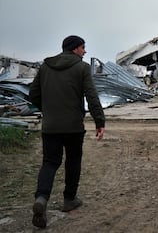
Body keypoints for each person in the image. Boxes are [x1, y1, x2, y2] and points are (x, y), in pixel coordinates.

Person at [29, 35, 105, 228]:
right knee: (73, 161)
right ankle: (69, 199)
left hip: (50, 127)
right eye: (83, 48)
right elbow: (92, 96)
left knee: (49, 162)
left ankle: (41, 198)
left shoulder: (45, 66)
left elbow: (33, 95)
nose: (85, 51)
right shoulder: (82, 68)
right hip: (72, 126)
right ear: (74, 49)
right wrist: (99, 121)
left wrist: (48, 110)